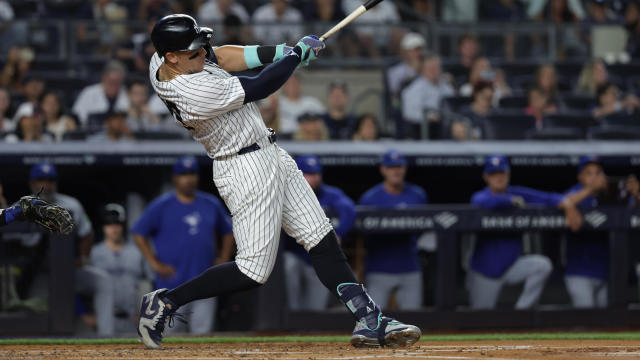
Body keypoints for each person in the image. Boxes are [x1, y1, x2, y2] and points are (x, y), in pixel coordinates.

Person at [138, 14, 420, 349]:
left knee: (321, 236)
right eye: (194, 50)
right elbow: (259, 86)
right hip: (243, 168)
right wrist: (295, 58)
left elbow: (224, 55)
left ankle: (368, 318)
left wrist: (281, 52)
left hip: (269, 152)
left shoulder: (166, 57)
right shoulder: (193, 90)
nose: (203, 52)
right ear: (173, 57)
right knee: (252, 271)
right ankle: (167, 301)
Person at [467, 154, 590, 310]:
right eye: (493, 174)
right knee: (480, 320)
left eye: (502, 173)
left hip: (511, 266)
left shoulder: (517, 193)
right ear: (486, 176)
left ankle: (521, 311)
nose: (498, 177)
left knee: (542, 265)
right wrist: (511, 201)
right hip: (485, 271)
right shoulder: (482, 196)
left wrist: (567, 204)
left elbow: (546, 198)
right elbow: (481, 201)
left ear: (508, 174)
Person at [133, 156, 234, 334]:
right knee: (169, 338)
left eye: (192, 174)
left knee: (202, 336)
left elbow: (228, 231)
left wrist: (224, 258)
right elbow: (139, 233)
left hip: (204, 283)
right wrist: (155, 263)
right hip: (171, 284)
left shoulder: (210, 203)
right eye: (183, 174)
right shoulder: (162, 205)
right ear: (175, 178)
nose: (189, 179)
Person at [284, 155, 356, 311]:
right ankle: (290, 317)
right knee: (288, 263)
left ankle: (311, 327)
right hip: (295, 253)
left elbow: (349, 210)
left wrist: (340, 233)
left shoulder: (330, 194)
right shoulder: (287, 194)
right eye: (309, 174)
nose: (314, 178)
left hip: (317, 259)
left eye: (316, 173)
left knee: (315, 308)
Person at [358, 150, 427, 310]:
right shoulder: (370, 198)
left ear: (405, 168)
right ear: (383, 169)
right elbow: (363, 235)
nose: (396, 171)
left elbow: (423, 228)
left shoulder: (417, 195)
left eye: (399, 167)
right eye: (391, 167)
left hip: (410, 267)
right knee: (374, 323)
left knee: (412, 323)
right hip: (379, 269)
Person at [89, 204, 152, 333]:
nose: (114, 228)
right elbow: (83, 288)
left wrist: (145, 312)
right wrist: (84, 313)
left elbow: (149, 284)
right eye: (109, 224)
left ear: (123, 226)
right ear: (103, 226)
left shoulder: (137, 252)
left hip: (132, 319)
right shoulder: (93, 253)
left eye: (117, 224)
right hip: (103, 318)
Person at [563, 155, 611, 308]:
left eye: (598, 173)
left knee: (609, 326)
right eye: (589, 173)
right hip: (579, 272)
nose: (595, 177)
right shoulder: (575, 193)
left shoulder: (610, 195)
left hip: (607, 272)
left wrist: (636, 194)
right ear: (580, 177)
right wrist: (590, 189)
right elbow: (563, 202)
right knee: (585, 325)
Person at [401, 54, 455, 127]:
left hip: (447, 123)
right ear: (422, 70)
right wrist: (430, 116)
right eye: (431, 69)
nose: (435, 71)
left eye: (437, 68)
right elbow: (409, 113)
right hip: (426, 128)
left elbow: (453, 102)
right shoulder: (414, 89)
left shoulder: (445, 85)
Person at [72, 60, 130, 127]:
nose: (114, 85)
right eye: (111, 81)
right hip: (92, 134)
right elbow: (78, 117)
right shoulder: (89, 93)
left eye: (118, 82)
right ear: (103, 78)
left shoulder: (128, 94)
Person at [278, 74, 325, 138]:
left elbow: (324, 122)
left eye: (295, 83)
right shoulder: (277, 103)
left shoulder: (312, 102)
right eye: (289, 83)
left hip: (306, 137)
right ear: (283, 86)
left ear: (300, 84)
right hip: (282, 137)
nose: (292, 86)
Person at [386, 32, 426, 98]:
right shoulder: (395, 71)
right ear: (405, 51)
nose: (418, 53)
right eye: (414, 50)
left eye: (420, 49)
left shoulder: (428, 68)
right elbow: (395, 93)